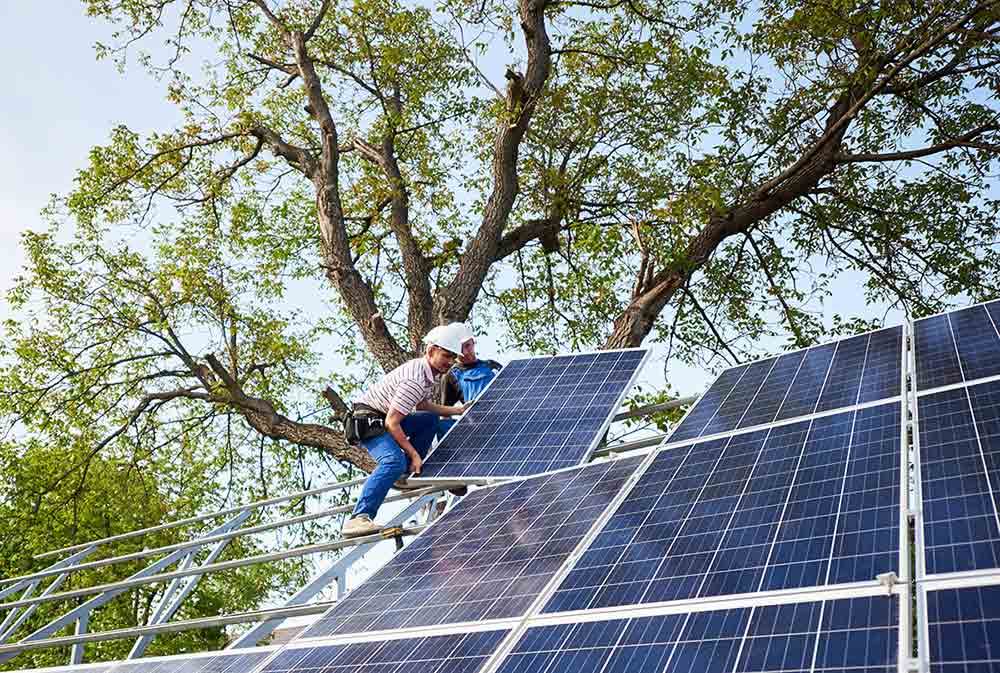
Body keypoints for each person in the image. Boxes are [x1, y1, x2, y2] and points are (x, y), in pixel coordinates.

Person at [341, 324, 470, 538]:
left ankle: (408, 474)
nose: (449, 362)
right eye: (446, 355)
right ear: (430, 351)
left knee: (429, 420)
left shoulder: (426, 373)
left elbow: (423, 407)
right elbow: (392, 423)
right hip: (369, 422)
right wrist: (414, 453)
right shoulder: (415, 379)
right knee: (392, 461)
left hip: (382, 419)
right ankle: (358, 518)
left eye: (452, 357)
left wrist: (457, 410)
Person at [437, 324, 503, 439]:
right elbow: (445, 414)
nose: (466, 352)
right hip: (476, 429)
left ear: (473, 342)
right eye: (460, 349)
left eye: (468, 346)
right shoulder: (451, 375)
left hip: (503, 420)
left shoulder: (492, 366)